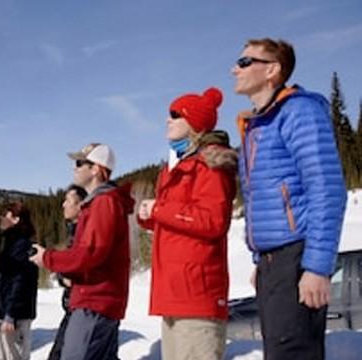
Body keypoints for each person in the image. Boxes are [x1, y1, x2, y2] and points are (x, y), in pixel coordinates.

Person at [232, 38, 347, 359]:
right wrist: (262, 260)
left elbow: (327, 188)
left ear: (272, 70)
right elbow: (262, 200)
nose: (234, 69)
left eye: (244, 62)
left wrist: (316, 267)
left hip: (297, 257)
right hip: (274, 263)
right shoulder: (259, 124)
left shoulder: (298, 111)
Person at [137, 87, 237, 360]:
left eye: (175, 114)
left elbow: (213, 221)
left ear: (194, 122)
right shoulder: (181, 166)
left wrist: (160, 208)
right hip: (175, 294)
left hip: (196, 296)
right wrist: (151, 217)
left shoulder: (210, 165)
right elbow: (182, 225)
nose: (167, 120)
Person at [30, 143, 134, 360]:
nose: (74, 168)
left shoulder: (104, 203)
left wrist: (48, 258)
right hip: (96, 300)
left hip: (94, 302)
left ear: (95, 169)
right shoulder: (99, 203)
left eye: (79, 163)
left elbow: (91, 253)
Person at [0, 201, 39, 360]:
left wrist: (11, 314)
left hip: (15, 316)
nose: (1, 218)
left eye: (6, 215)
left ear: (16, 220)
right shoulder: (10, 243)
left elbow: (20, 281)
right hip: (6, 313)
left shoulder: (21, 245)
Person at [47, 184, 88, 360]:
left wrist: (64, 274)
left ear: (81, 205)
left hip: (82, 309)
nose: (63, 204)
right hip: (73, 307)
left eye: (68, 200)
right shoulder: (75, 231)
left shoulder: (85, 231)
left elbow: (82, 265)